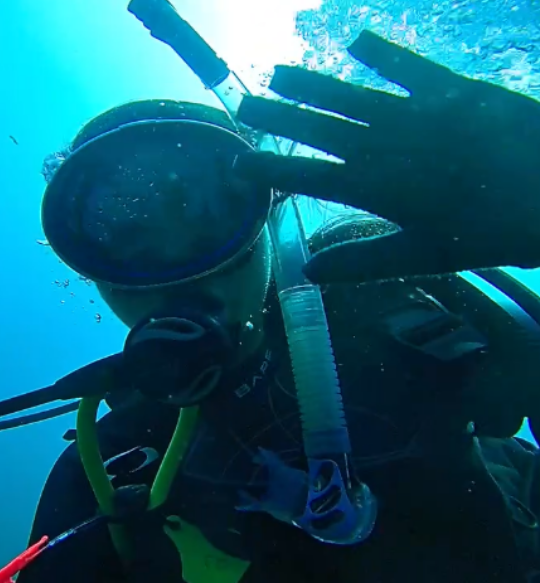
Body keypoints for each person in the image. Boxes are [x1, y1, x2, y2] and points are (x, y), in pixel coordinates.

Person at [5, 30, 540, 583]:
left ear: (269, 216)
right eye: (124, 235)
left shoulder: (395, 292)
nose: (176, 269)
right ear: (85, 261)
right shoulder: (111, 467)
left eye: (204, 213)